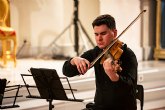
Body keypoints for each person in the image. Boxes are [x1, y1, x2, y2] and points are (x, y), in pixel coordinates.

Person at [62, 14, 138, 110]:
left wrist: (113, 76)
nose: (99, 38)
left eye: (103, 34)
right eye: (96, 34)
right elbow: (67, 71)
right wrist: (74, 60)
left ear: (114, 33)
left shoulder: (128, 55)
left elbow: (129, 87)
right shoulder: (97, 52)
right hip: (99, 107)